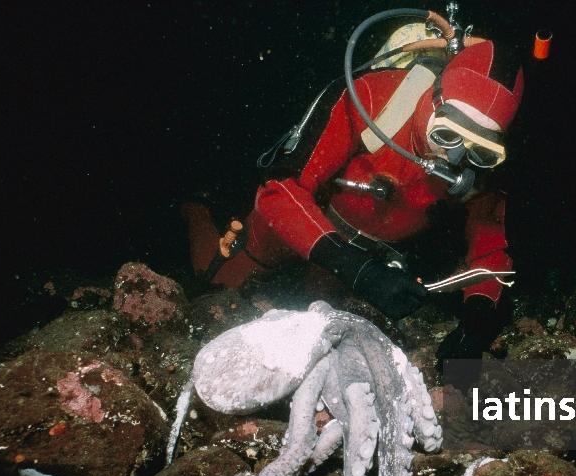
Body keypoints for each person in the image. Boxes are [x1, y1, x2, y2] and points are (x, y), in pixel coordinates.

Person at [181, 40, 523, 362]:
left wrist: (476, 326)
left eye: (479, 151)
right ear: (434, 97)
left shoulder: (483, 172)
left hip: (357, 258)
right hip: (304, 221)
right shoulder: (375, 96)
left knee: (320, 333)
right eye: (446, 134)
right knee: (216, 289)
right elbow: (278, 189)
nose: (453, 156)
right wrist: (356, 269)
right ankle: (196, 206)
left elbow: (489, 250)